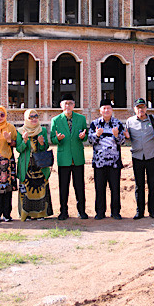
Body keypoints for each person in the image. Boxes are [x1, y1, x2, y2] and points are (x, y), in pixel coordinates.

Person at [50, 93, 88, 221]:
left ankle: (81, 211)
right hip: (64, 158)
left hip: (77, 157)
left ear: (74, 105)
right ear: (61, 105)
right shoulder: (55, 120)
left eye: (70, 103)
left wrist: (83, 137)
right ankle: (63, 211)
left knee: (79, 186)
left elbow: (85, 135)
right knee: (63, 186)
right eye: (65, 103)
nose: (68, 106)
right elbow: (52, 139)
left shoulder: (81, 119)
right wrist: (58, 139)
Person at [124, 97, 154, 219]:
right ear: (134, 109)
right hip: (137, 156)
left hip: (151, 155)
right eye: (138, 107)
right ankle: (139, 211)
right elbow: (127, 138)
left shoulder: (153, 119)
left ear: (146, 108)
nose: (141, 109)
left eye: (143, 107)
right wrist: (126, 137)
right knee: (139, 185)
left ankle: (152, 211)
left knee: (152, 184)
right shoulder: (130, 121)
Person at [88, 99, 126, 220]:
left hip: (114, 162)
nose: (106, 110)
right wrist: (97, 135)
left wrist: (116, 135)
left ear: (112, 110)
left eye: (108, 108)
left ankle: (115, 212)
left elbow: (123, 141)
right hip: (99, 162)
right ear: (100, 110)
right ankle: (100, 212)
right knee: (99, 188)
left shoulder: (118, 124)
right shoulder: (95, 124)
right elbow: (90, 140)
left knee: (115, 188)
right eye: (104, 108)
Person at [16, 109, 53, 220]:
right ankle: (26, 214)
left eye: (36, 116)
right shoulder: (20, 131)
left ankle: (40, 214)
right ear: (26, 118)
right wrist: (24, 141)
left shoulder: (41, 130)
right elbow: (19, 149)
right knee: (26, 190)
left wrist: (42, 143)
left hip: (40, 165)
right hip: (26, 165)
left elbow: (44, 148)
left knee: (40, 189)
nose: (34, 119)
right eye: (31, 117)